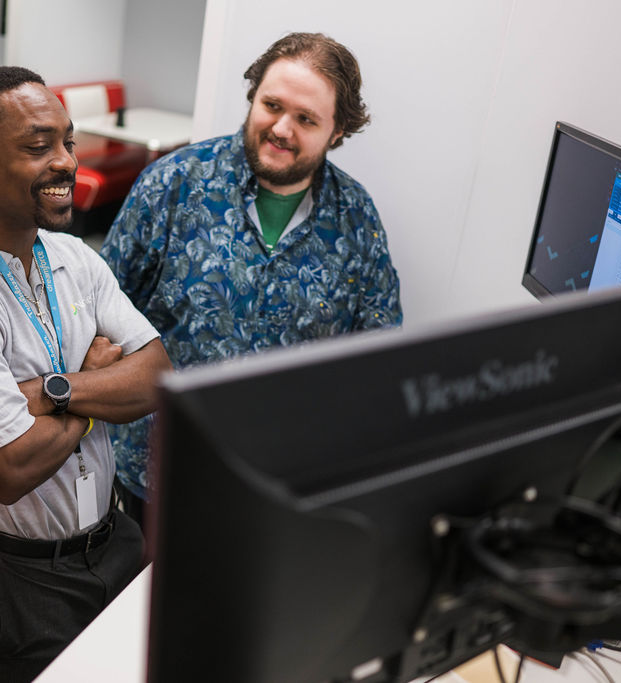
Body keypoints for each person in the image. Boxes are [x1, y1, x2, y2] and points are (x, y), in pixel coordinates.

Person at [0, 66, 171, 682]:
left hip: (113, 537)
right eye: (37, 146)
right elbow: (9, 470)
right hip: (15, 570)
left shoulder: (73, 255)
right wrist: (101, 382)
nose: (66, 162)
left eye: (67, 142)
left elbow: (155, 374)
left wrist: (59, 389)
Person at [101, 32, 403, 518]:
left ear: (338, 131)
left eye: (306, 119)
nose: (282, 128)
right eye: (272, 105)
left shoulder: (357, 219)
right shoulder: (173, 183)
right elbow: (101, 309)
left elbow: (376, 354)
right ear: (252, 97)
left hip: (280, 485)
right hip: (156, 470)